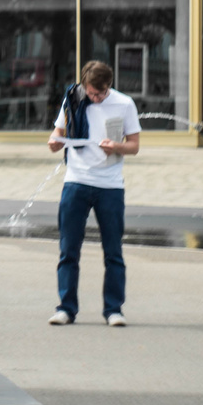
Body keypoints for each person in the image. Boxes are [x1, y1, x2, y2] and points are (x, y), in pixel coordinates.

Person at [48, 59, 141, 327]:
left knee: (113, 251)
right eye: (90, 93)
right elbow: (58, 131)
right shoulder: (74, 98)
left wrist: (117, 147)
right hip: (76, 181)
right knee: (68, 249)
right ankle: (66, 308)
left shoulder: (124, 104)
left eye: (98, 94)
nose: (93, 98)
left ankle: (113, 310)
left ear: (108, 86)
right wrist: (54, 142)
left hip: (110, 185)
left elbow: (134, 145)